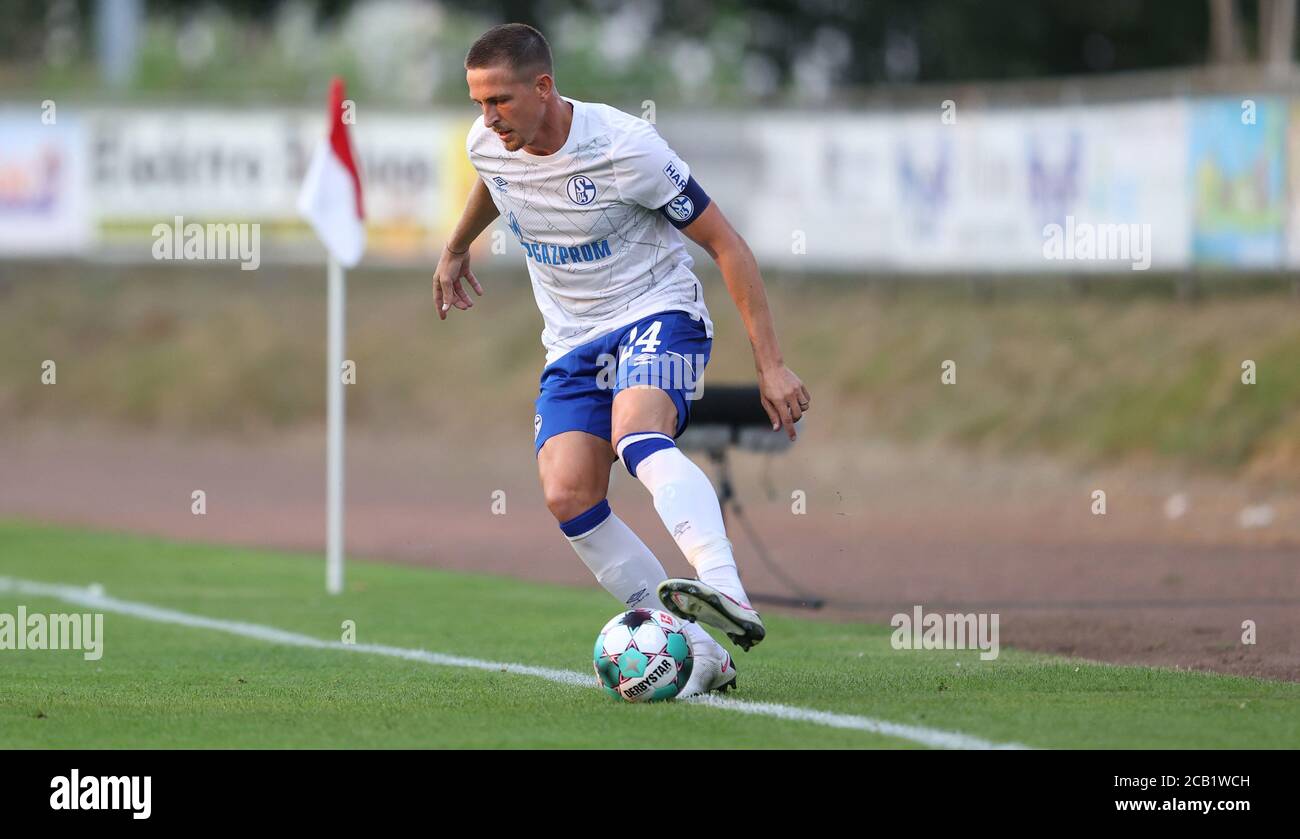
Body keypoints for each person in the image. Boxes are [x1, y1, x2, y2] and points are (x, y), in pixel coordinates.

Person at [434, 23, 810, 697]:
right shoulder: (488, 143)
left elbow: (727, 244)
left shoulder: (623, 147)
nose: (486, 119)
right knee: (567, 492)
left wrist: (771, 364)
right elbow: (496, 179)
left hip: (656, 314)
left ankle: (725, 589)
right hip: (573, 341)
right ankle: (699, 648)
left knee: (636, 432)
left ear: (544, 87)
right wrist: (458, 245)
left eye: (500, 102)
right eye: (477, 103)